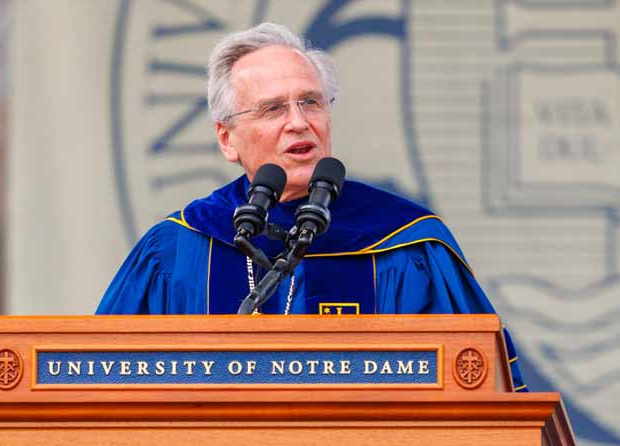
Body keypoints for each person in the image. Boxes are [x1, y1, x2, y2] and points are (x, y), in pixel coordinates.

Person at [96, 23, 527, 392]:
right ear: (227, 138)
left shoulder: (406, 244)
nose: (299, 122)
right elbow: (101, 392)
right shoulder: (178, 250)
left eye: (311, 102)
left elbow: (480, 394)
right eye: (272, 109)